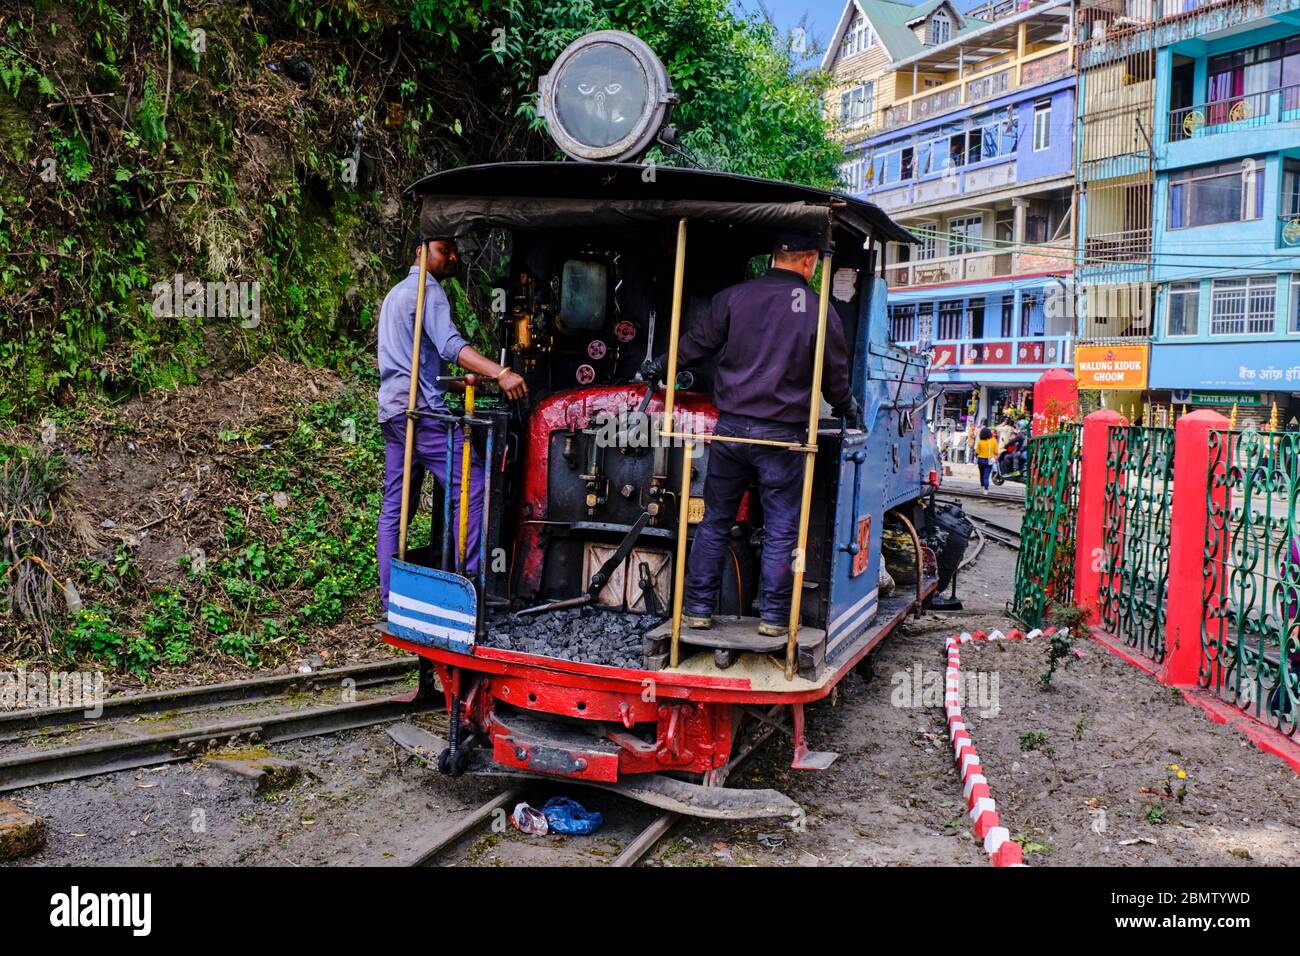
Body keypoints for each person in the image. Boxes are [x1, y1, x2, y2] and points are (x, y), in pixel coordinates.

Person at [641, 231, 862, 639]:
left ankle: (698, 612)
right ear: (810, 260)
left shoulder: (733, 297)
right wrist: (850, 407)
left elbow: (695, 345)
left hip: (730, 430)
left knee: (714, 521)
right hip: (782, 436)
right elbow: (834, 380)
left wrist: (658, 365)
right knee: (781, 528)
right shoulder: (817, 308)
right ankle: (775, 618)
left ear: (774, 256)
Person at [376, 234, 527, 608]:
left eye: (453, 251)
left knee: (396, 504)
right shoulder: (429, 292)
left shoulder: (395, 294)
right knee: (472, 482)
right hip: (423, 414)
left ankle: (389, 598)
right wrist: (502, 372)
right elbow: (450, 346)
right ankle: (468, 588)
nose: (452, 257)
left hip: (394, 411)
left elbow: (415, 363)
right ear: (420, 251)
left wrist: (468, 383)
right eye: (444, 250)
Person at [975, 421, 998, 494]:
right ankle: (986, 490)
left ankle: (982, 486)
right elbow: (996, 452)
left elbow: (977, 452)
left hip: (981, 460)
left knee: (981, 474)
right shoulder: (993, 441)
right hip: (989, 461)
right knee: (986, 476)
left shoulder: (980, 442)